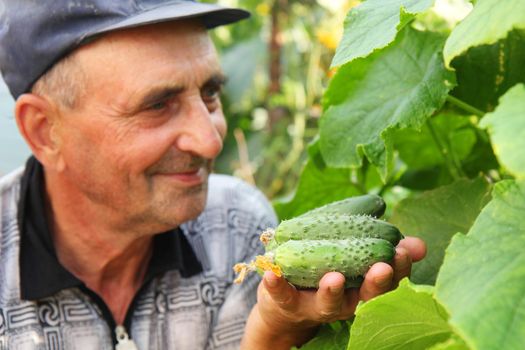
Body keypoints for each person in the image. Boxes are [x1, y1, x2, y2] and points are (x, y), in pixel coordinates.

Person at [0, 1, 426, 349]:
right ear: (45, 131)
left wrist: (276, 329)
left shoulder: (239, 222)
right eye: (157, 105)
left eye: (210, 93)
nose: (210, 142)